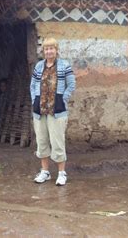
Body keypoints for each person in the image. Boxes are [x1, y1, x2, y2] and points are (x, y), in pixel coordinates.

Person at [30, 37, 76, 186]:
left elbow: (71, 84)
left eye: (51, 48)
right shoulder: (38, 66)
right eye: (46, 49)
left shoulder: (64, 65)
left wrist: (63, 98)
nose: (49, 51)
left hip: (57, 110)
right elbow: (32, 85)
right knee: (42, 141)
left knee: (57, 142)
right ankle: (45, 172)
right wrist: (34, 101)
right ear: (43, 51)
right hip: (40, 110)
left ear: (56, 50)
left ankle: (62, 173)